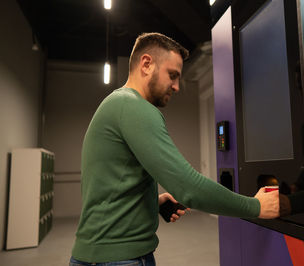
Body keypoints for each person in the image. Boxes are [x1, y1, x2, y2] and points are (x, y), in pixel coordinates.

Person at [70, 32, 279, 265]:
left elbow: (108, 186)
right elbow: (189, 187)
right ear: (147, 64)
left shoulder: (115, 104)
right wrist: (256, 206)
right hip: (118, 259)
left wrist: (152, 202)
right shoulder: (134, 107)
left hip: (94, 255)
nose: (177, 87)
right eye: (173, 75)